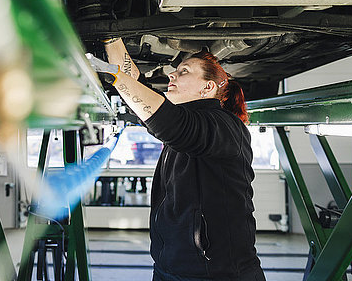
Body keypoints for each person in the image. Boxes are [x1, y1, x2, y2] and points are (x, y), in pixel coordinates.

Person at [87, 38, 265, 281]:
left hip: (216, 274)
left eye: (184, 71)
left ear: (207, 88)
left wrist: (117, 78)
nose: (171, 74)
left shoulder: (225, 125)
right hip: (170, 268)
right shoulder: (187, 120)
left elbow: (169, 123)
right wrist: (111, 38)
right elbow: (141, 90)